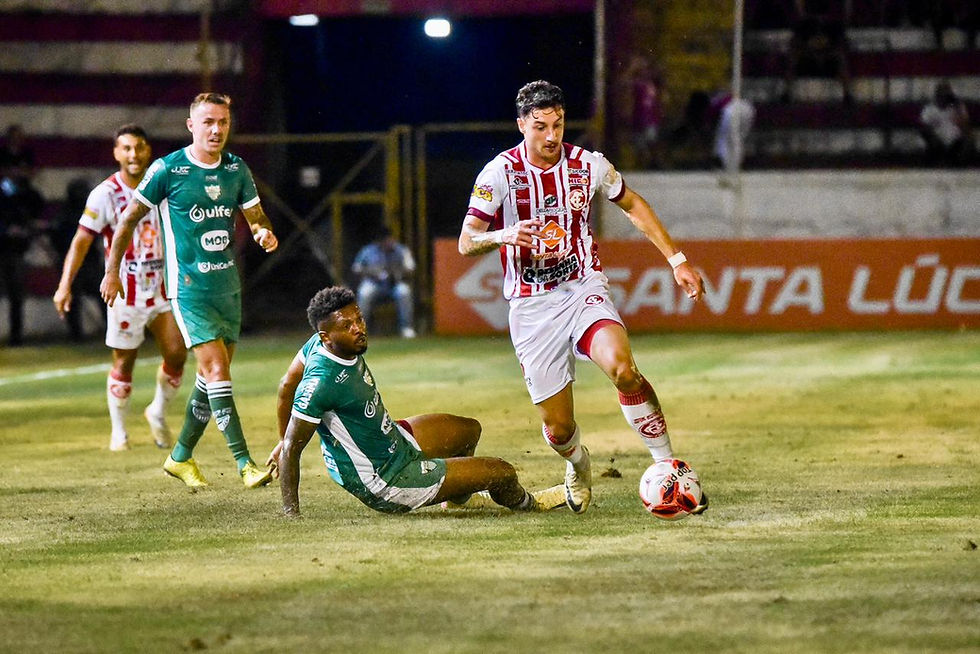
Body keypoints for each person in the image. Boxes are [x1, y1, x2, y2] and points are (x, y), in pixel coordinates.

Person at [458, 80, 708, 515]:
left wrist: (677, 259)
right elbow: (466, 240)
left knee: (624, 370)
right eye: (540, 127)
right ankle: (577, 462)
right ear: (521, 125)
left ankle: (667, 464)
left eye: (557, 124)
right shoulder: (498, 173)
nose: (551, 136)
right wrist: (505, 234)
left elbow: (632, 204)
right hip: (532, 306)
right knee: (558, 428)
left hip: (582, 288)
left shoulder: (588, 165)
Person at [100, 93, 279, 489]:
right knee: (216, 370)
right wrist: (112, 272)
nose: (216, 130)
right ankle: (245, 463)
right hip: (188, 290)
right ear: (191, 125)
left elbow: (255, 216)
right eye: (209, 122)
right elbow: (128, 220)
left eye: (223, 123)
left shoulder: (236, 169)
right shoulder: (169, 169)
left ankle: (180, 457)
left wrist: (263, 231)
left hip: (227, 289)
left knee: (211, 377)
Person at [267, 286, 565, 516]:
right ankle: (531, 505)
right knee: (502, 472)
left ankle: (458, 498)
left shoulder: (317, 345)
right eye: (347, 325)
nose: (358, 328)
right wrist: (291, 512)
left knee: (468, 430)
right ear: (326, 337)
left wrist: (280, 438)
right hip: (385, 479)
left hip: (396, 441)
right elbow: (293, 447)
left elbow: (285, 385)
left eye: (358, 318)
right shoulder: (322, 382)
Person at [54, 126, 186, 451]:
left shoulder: (163, 188)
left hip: (162, 289)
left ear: (148, 150)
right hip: (125, 293)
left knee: (177, 353)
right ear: (116, 153)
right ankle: (119, 432)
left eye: (139, 147)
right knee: (124, 361)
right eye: (126, 148)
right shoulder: (104, 194)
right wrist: (64, 285)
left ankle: (156, 411)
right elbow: (82, 240)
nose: (133, 154)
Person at [0, 124, 44, 346]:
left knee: (17, 292)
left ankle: (16, 336)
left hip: (16, 249)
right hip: (4, 243)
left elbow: (38, 215)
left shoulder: (29, 195)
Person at [781, 0, 853, 105]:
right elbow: (795, 43)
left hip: (828, 59)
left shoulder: (834, 25)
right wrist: (810, 52)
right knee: (793, 57)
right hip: (808, 59)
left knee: (841, 58)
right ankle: (786, 93)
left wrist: (826, 53)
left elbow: (841, 45)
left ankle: (847, 94)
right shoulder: (803, 25)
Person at [350, 226, 416, 338]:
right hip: (373, 283)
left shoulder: (401, 250)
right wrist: (371, 272)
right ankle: (360, 329)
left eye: (389, 239)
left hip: (394, 284)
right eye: (384, 240)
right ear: (379, 241)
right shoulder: (368, 251)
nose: (387, 242)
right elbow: (356, 268)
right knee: (364, 293)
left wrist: (397, 272)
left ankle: (406, 328)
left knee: (404, 292)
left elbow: (411, 268)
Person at [919, 79, 973, 167]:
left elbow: (965, 124)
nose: (943, 97)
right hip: (936, 140)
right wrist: (934, 138)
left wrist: (958, 108)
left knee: (965, 143)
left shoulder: (957, 107)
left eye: (946, 94)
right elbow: (924, 127)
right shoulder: (929, 108)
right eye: (941, 94)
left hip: (955, 141)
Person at [710, 90, 756, 172]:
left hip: (732, 109)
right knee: (738, 139)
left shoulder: (714, 101)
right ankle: (736, 164)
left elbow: (712, 115)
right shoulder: (726, 95)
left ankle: (725, 164)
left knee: (722, 139)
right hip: (747, 107)